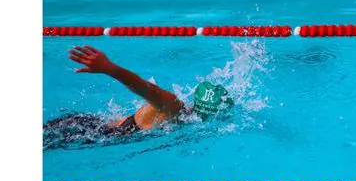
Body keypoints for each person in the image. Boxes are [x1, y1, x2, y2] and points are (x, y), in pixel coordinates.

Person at [44, 45, 233, 147]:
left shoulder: (182, 120)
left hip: (92, 128)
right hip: (84, 130)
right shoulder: (173, 106)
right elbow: (144, 87)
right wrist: (110, 68)